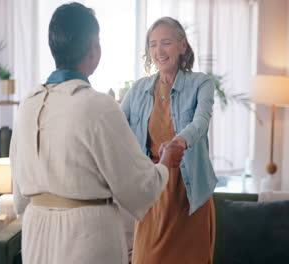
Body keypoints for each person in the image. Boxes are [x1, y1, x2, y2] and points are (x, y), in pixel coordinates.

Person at [10, 4, 185, 264]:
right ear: (94, 48)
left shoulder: (28, 103)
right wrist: (165, 162)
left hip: (36, 237)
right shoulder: (98, 105)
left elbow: (19, 200)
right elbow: (139, 188)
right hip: (86, 239)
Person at [121, 17, 218, 264]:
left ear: (182, 45)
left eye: (166, 43)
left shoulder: (201, 83)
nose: (158, 51)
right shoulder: (138, 89)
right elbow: (117, 127)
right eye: (153, 45)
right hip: (153, 190)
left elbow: (201, 122)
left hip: (190, 193)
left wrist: (179, 142)